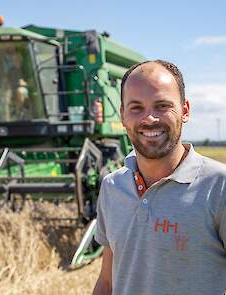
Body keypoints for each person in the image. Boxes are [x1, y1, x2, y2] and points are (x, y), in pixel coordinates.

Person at [93, 60, 226, 295]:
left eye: (162, 105)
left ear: (185, 110)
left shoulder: (219, 186)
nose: (150, 118)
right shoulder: (112, 186)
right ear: (123, 116)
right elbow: (107, 282)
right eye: (136, 107)